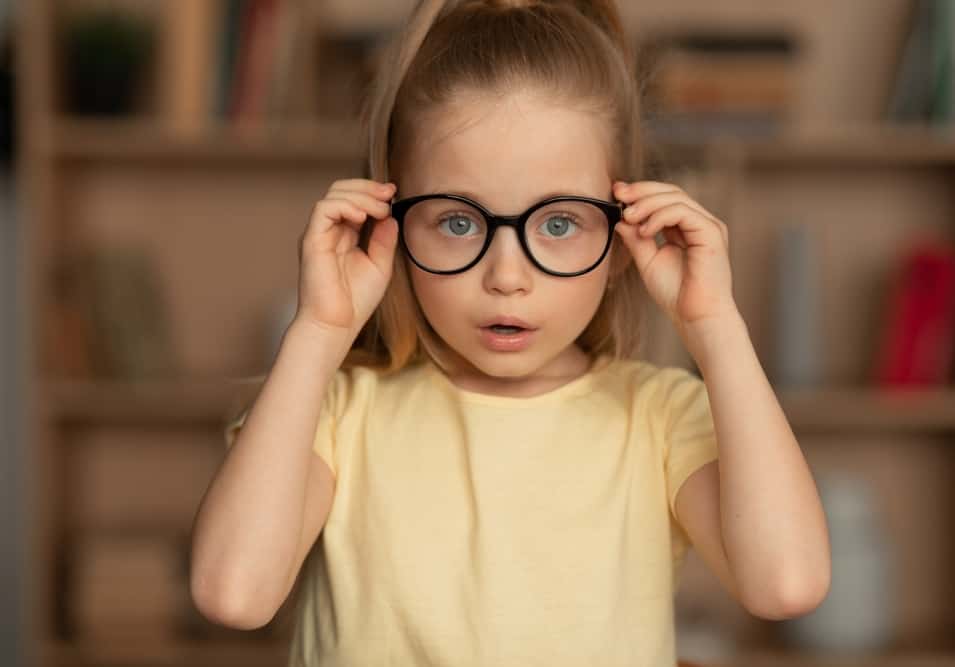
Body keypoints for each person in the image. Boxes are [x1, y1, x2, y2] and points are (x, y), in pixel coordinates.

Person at [189, 1, 831, 665]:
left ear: (620, 240)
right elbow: (234, 593)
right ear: (391, 224)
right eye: (459, 221)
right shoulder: (335, 411)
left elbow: (787, 581)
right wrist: (318, 332)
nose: (506, 275)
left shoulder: (660, 416)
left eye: (557, 224)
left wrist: (715, 325)